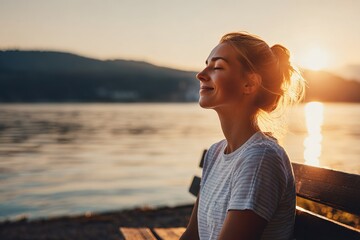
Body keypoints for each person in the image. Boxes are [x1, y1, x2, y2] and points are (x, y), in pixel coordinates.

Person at [180, 32, 305, 240]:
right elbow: (192, 236)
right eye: (206, 65)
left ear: (250, 84)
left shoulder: (260, 159)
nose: (201, 74)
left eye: (217, 67)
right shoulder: (215, 153)